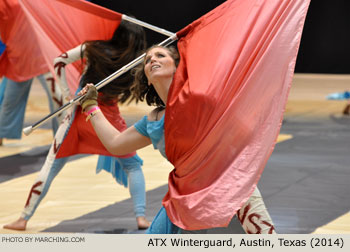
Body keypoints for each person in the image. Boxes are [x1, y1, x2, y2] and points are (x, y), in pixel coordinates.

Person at [77, 45, 276, 234]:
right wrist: (90, 106)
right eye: (147, 60)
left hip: (229, 188)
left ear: (176, 67)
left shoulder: (200, 100)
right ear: (147, 77)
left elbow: (243, 132)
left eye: (160, 56)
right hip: (186, 198)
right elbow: (115, 144)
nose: (152, 59)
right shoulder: (154, 120)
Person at [3, 20, 150, 231]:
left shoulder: (93, 49)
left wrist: (66, 94)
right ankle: (141, 217)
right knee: (132, 165)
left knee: (51, 165)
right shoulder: (135, 61)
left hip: (78, 117)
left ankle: (23, 219)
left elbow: (59, 60)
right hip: (108, 120)